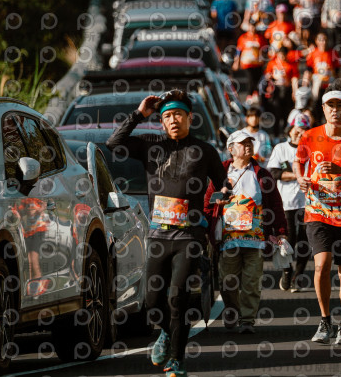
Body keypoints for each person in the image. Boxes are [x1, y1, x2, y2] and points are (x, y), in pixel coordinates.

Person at [106, 90, 227, 376]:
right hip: (158, 236)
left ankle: (178, 360)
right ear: (161, 121)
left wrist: (223, 194)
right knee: (152, 301)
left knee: (178, 298)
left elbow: (223, 182)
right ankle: (165, 332)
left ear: (190, 118)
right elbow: (114, 143)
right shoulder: (151, 146)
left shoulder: (204, 150)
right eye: (168, 116)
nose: (173, 120)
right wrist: (139, 114)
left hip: (189, 236)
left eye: (178, 115)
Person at [293, 87, 341, 345]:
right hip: (318, 212)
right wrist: (300, 179)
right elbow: (298, 161)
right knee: (322, 264)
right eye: (331, 106)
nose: (335, 110)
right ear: (323, 109)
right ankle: (325, 320)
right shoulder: (310, 136)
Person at [204, 131, 288, 334]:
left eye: (250, 142)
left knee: (251, 281)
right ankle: (232, 311)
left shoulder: (262, 174)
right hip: (228, 240)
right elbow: (207, 203)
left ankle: (247, 320)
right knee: (227, 281)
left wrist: (281, 232)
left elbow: (276, 205)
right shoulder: (220, 172)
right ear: (231, 149)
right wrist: (209, 221)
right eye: (243, 143)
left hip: (255, 239)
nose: (248, 145)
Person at [268, 114, 312, 292]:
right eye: (297, 129)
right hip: (286, 202)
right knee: (288, 241)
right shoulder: (281, 148)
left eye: (304, 130)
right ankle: (287, 271)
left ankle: (297, 277)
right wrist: (298, 176)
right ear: (290, 129)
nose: (300, 133)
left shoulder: (312, 149)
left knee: (305, 241)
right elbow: (274, 173)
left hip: (308, 202)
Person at [302, 33, 341, 124]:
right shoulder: (313, 53)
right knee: (316, 98)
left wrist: (339, 83)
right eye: (320, 40)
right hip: (317, 79)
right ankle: (316, 119)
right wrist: (305, 82)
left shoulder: (333, 53)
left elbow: (337, 71)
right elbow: (309, 70)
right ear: (316, 41)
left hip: (329, 79)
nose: (323, 42)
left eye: (324, 40)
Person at [263, 46, 299, 136]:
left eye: (284, 55)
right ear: (278, 54)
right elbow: (267, 75)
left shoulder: (290, 64)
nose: (282, 57)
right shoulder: (272, 63)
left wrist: (295, 91)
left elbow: (294, 79)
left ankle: (285, 132)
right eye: (280, 55)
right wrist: (270, 77)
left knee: (286, 112)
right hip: (276, 90)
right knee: (276, 111)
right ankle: (276, 134)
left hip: (286, 90)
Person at [233, 20, 267, 100]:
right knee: (250, 78)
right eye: (251, 26)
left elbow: (264, 49)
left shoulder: (260, 37)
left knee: (257, 79)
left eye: (254, 26)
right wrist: (236, 62)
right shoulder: (243, 37)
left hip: (258, 63)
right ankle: (250, 95)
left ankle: (256, 94)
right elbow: (239, 50)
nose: (253, 28)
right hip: (247, 63)